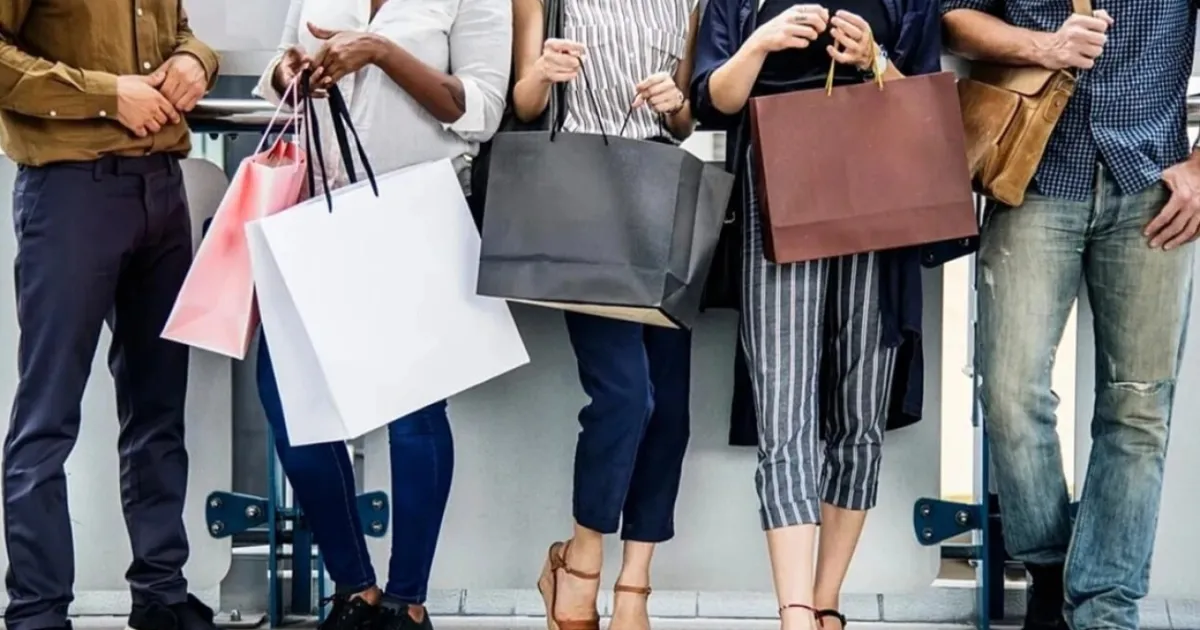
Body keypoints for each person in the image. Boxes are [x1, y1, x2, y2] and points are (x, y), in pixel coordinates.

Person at [691, 0, 955, 628]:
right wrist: (761, 42)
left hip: (880, 195)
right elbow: (709, 98)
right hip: (776, 188)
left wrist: (874, 58)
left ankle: (827, 601)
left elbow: (930, 97)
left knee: (860, 411)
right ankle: (796, 611)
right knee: (785, 407)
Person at [251, 1, 510, 629]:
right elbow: (278, 74)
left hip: (418, 214)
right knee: (287, 395)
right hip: (318, 212)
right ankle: (355, 587)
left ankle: (406, 600)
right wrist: (291, 74)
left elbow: (479, 109)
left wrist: (380, 51)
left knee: (413, 411)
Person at [941, 3, 1197, 630]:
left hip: (1153, 183)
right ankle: (1051, 573)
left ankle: (1107, 608)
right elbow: (954, 16)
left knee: (1138, 407)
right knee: (1007, 390)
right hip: (1032, 174)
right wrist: (1044, 47)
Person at [0, 2, 220, 630]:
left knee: (158, 411)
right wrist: (105, 96)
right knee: (47, 417)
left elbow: (179, 33)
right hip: (69, 194)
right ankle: (38, 614)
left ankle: (162, 598)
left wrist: (193, 60)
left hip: (161, 191)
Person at [508, 1, 700, 628]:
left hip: (660, 195)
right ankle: (580, 559)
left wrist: (674, 100)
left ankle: (634, 586)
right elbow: (526, 101)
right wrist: (544, 69)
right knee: (625, 396)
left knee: (668, 408)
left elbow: (684, 121)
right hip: (581, 195)